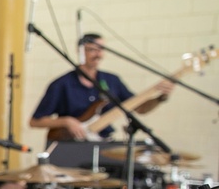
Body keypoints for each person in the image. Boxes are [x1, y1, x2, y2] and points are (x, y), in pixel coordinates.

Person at [29, 33, 173, 142]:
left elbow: (139, 108)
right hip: (71, 145)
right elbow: (34, 121)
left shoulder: (112, 81)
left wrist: (160, 97)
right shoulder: (62, 84)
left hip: (102, 142)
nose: (98, 54)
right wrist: (67, 121)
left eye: (101, 50)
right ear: (80, 52)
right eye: (92, 50)